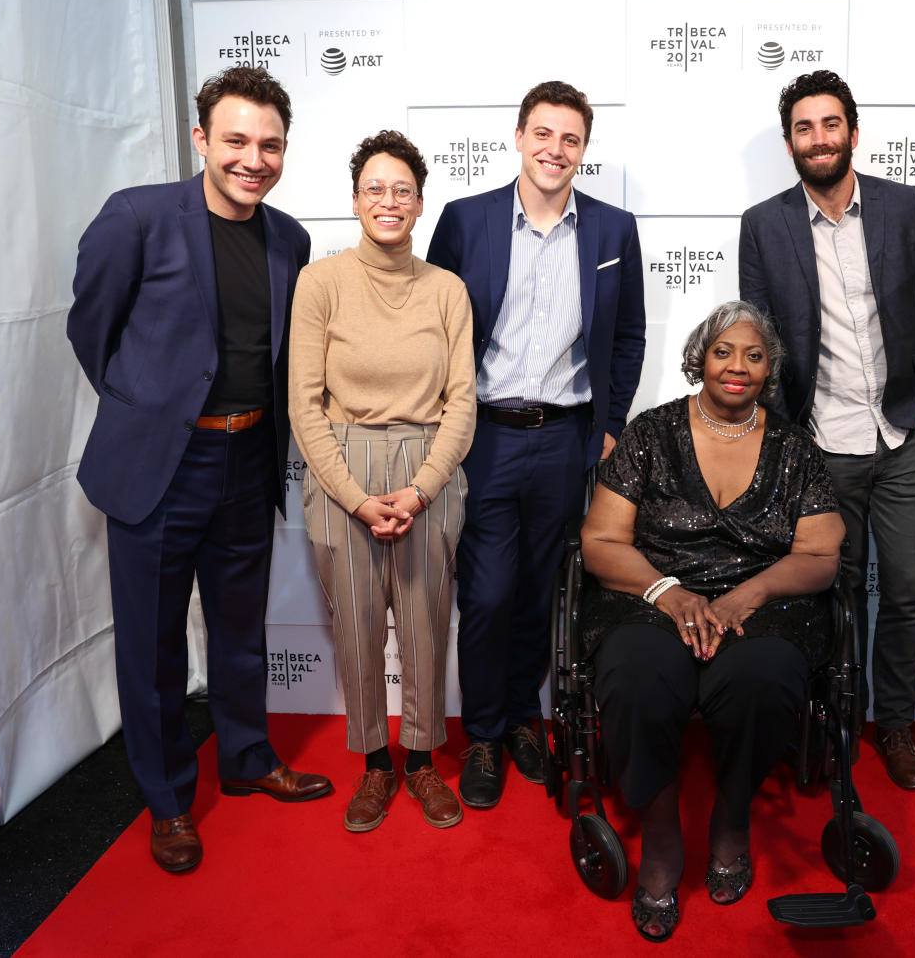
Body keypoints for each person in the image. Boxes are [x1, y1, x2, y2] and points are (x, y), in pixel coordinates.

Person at [67, 67, 331, 873]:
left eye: (270, 144)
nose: (254, 158)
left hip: (248, 458)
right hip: (159, 467)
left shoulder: (290, 238)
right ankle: (170, 799)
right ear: (201, 139)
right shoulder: (137, 218)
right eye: (237, 141)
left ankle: (248, 758)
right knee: (150, 648)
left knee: (241, 628)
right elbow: (93, 330)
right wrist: (150, 411)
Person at [579, 302, 845, 941]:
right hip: (651, 596)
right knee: (636, 675)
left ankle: (731, 819)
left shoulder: (794, 449)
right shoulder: (650, 433)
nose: (738, 366)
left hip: (762, 604)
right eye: (724, 351)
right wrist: (669, 592)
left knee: (768, 677)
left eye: (755, 356)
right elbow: (601, 541)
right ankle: (664, 836)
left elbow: (820, 556)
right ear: (700, 358)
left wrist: (746, 597)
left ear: (769, 372)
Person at [426, 80, 646, 809]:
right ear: (519, 137)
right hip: (485, 435)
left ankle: (523, 717)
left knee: (539, 589)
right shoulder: (466, 221)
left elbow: (630, 334)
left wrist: (608, 425)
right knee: (485, 593)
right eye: (543, 134)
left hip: (566, 440)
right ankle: (483, 731)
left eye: (571, 138)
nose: (556, 150)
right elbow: (435, 328)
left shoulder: (613, 231)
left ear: (585, 149)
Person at [738, 70, 915, 790]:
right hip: (822, 442)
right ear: (791, 141)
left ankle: (893, 723)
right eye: (804, 127)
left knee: (906, 587)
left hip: (905, 435)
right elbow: (760, 340)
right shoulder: (763, 224)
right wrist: (784, 438)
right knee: (835, 590)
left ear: (852, 133)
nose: (819, 138)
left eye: (831, 124)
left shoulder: (903, 205)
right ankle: (837, 720)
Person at [288, 131, 475, 831]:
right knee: (358, 629)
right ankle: (374, 766)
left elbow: (463, 403)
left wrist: (422, 488)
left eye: (403, 189)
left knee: (427, 624)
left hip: (429, 468)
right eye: (375, 188)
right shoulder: (321, 282)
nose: (388, 200)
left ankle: (421, 761)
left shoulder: (447, 290)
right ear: (356, 198)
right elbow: (304, 406)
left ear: (421, 203)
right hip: (344, 468)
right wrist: (359, 498)